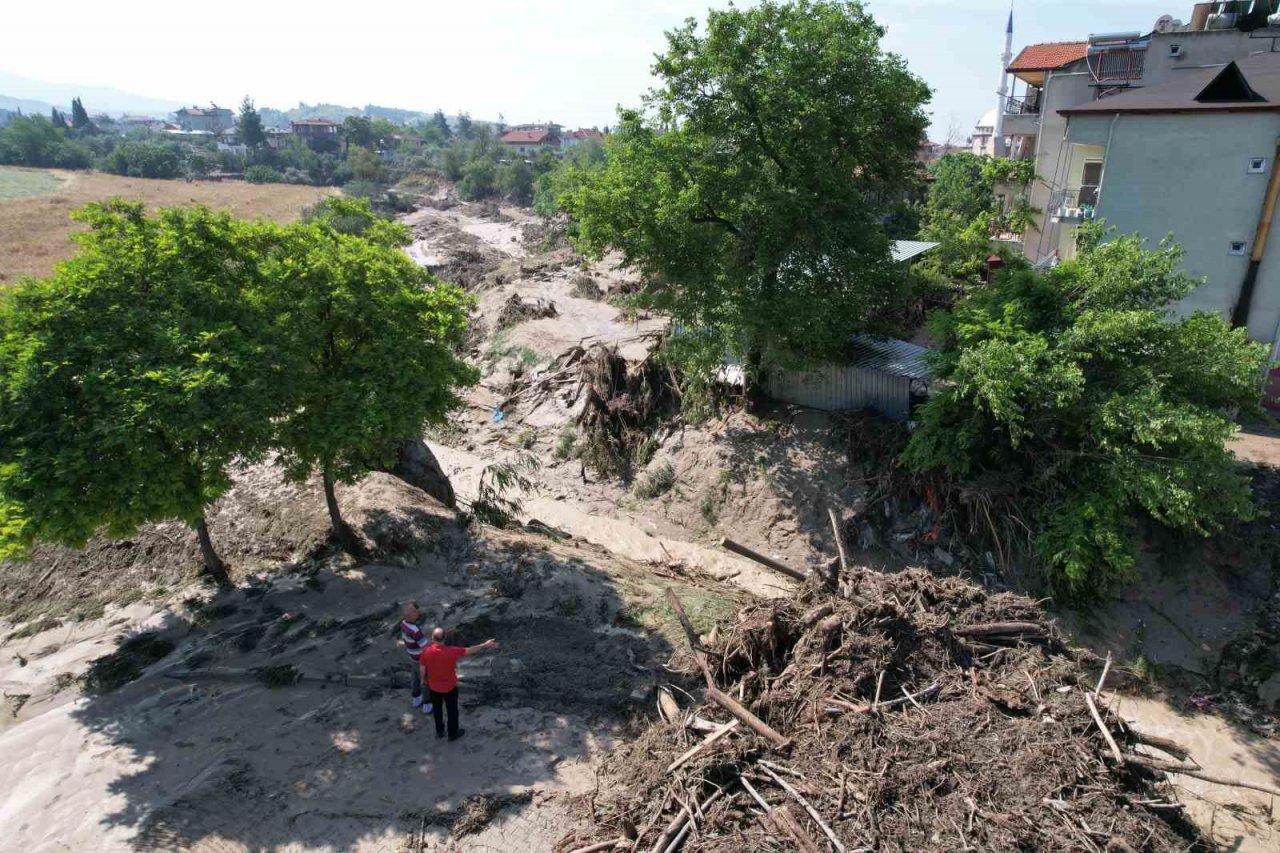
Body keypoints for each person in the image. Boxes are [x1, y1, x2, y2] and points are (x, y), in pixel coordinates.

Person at [420, 627, 499, 741]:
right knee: (452, 711)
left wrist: (423, 680)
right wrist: (484, 645)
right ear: (445, 639)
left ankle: (440, 731)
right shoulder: (452, 651)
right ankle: (452, 733)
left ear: (432, 638)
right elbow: (470, 650)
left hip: (433, 687)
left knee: (437, 710)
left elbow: (422, 668)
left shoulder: (426, 651)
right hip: (449, 687)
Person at [399, 603, 432, 714]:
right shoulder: (415, 630)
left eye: (416, 609)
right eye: (414, 611)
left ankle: (416, 699)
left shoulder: (403, 624)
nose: (417, 611)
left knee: (415, 678)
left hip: (412, 657)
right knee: (425, 680)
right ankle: (427, 703)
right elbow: (425, 646)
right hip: (421, 659)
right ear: (408, 615)